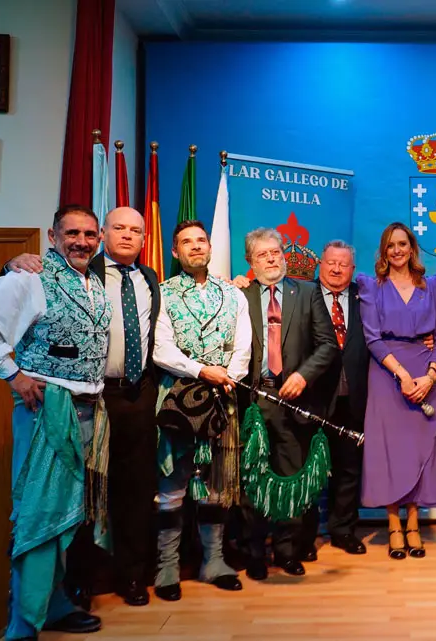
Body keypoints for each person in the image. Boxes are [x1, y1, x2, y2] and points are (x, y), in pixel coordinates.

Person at [0, 205, 110, 641]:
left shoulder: (93, 282)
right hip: (48, 411)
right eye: (72, 233)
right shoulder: (28, 278)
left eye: (89, 234)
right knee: (40, 514)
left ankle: (54, 605)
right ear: (52, 235)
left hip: (90, 413)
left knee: (67, 516)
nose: (81, 241)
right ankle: (21, 626)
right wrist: (13, 374)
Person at [5, 207, 163, 609]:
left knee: (135, 489)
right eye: (118, 228)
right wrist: (8, 263)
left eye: (136, 230)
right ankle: (79, 583)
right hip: (92, 397)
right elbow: (16, 291)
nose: (127, 236)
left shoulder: (149, 279)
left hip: (138, 396)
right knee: (84, 491)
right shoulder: (75, 272)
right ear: (103, 234)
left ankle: (131, 575)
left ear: (145, 239)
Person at [150, 220, 252, 599]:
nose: (196, 247)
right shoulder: (162, 293)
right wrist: (201, 370)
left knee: (215, 483)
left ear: (210, 247)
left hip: (222, 396)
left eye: (201, 240)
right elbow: (161, 349)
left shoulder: (233, 294)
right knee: (172, 484)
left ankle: (214, 561)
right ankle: (168, 567)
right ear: (175, 252)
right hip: (176, 396)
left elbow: (243, 346)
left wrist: (230, 375)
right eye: (186, 242)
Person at [237, 227, 339, 579]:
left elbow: (328, 345)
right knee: (253, 481)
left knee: (290, 478)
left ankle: (286, 551)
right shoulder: (239, 295)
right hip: (252, 400)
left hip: (295, 402)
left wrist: (303, 375)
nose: (271, 258)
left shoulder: (307, 292)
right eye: (263, 254)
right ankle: (253, 553)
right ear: (250, 261)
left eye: (276, 252)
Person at [357, 222, 436, 559]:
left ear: (412, 248)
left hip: (425, 372)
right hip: (386, 373)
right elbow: (372, 338)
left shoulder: (432, 285)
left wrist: (430, 376)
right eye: (390, 245)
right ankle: (393, 524)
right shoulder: (370, 285)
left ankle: (414, 524)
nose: (397, 250)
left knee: (420, 448)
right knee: (389, 450)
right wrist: (403, 376)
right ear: (384, 250)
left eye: (403, 244)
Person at [313, 240, 369, 556]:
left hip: (354, 398)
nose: (336, 269)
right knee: (310, 468)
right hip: (315, 399)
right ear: (321, 263)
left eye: (343, 264)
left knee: (349, 468)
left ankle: (343, 531)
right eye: (331, 262)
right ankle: (305, 536)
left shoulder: (365, 301)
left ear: (352, 270)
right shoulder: (302, 296)